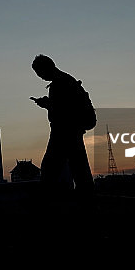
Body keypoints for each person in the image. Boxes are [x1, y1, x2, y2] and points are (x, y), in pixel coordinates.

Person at [30, 54, 94, 199]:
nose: (40, 77)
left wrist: (46, 104)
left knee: (50, 168)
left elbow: (62, 110)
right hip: (72, 131)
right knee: (79, 167)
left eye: (40, 73)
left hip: (63, 132)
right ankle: (87, 198)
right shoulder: (67, 80)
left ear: (47, 68)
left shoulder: (60, 84)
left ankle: (48, 201)